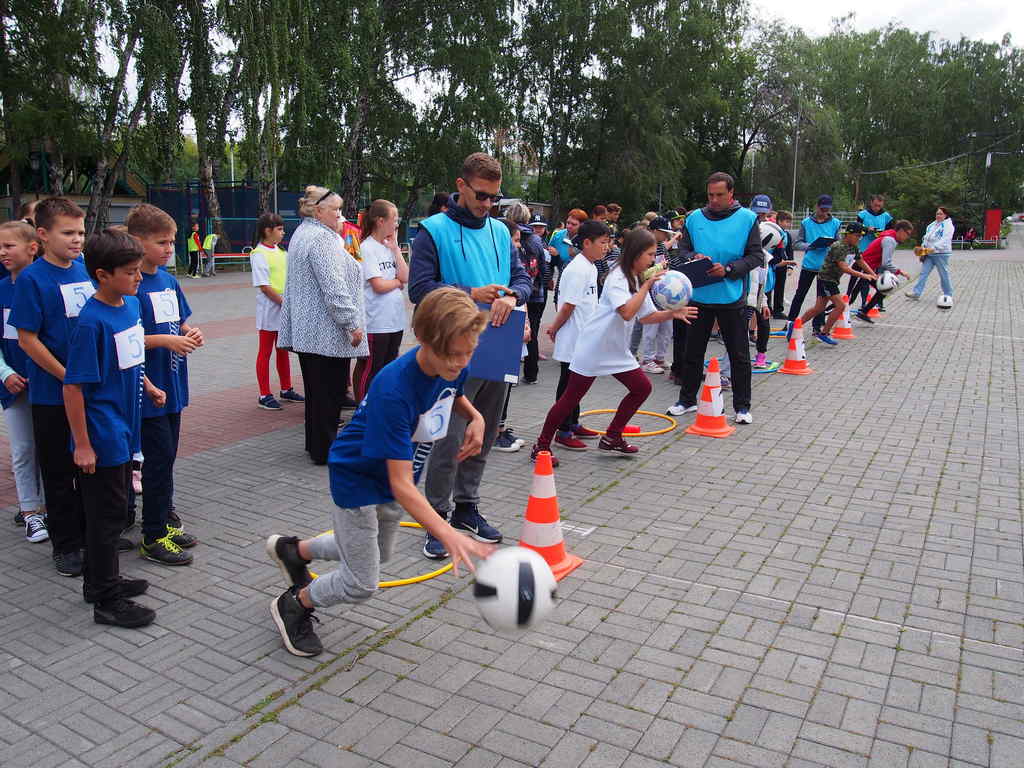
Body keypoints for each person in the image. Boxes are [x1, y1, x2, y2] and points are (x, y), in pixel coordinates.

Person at [265, 287, 494, 656]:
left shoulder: (452, 362)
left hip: (393, 477)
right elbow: (400, 484)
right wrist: (446, 532)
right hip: (358, 479)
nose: (461, 362)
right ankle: (295, 604)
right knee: (361, 583)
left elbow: (452, 389)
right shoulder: (393, 389)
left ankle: (296, 551)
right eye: (454, 354)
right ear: (423, 340)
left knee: (379, 553)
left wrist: (477, 416)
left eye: (469, 352)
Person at [408, 152, 532, 560]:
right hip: (451, 348)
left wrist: (513, 296)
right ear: (460, 186)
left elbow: (522, 278)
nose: (487, 204)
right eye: (481, 195)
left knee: (487, 430)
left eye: (494, 197)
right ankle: (438, 518)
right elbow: (420, 289)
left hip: (498, 342)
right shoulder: (433, 231)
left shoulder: (500, 230)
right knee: (448, 437)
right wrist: (470, 294)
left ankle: (466, 506)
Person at [64, 229, 165, 627]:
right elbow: (73, 388)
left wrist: (151, 386)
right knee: (106, 519)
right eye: (130, 272)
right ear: (103, 275)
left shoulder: (129, 306)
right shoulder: (91, 323)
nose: (139, 278)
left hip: (127, 427)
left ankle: (100, 580)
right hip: (102, 433)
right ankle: (106, 601)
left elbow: (131, 360)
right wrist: (83, 445)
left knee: (114, 512)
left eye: (139, 270)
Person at [531, 229, 696, 464]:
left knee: (642, 388)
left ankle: (612, 437)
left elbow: (647, 316)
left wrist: (673, 312)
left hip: (616, 349)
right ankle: (541, 445)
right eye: (649, 254)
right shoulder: (618, 277)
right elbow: (627, 313)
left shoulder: (636, 278)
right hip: (595, 346)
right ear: (636, 254)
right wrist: (646, 287)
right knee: (570, 398)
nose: (653, 260)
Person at [9, 198, 92, 576]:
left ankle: (91, 533)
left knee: (89, 466)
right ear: (42, 236)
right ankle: (66, 545)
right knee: (58, 470)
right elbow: (27, 339)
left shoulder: (84, 269)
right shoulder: (32, 278)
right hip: (52, 392)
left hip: (89, 389)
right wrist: (65, 375)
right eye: (68, 233)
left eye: (80, 232)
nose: (78, 240)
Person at [125, 204, 204, 565]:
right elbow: (128, 339)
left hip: (174, 384)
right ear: (137, 242)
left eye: (172, 241)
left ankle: (163, 518)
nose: (169, 248)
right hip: (148, 389)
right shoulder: (130, 284)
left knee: (167, 457)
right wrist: (165, 341)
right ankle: (152, 535)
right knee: (156, 460)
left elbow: (180, 322)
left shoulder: (169, 281)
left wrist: (189, 334)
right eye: (161, 242)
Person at [277, 186, 367, 465]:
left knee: (317, 394)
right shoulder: (322, 239)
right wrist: (352, 323)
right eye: (336, 210)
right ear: (318, 211)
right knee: (328, 394)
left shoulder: (303, 234)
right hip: (325, 331)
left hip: (309, 330)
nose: (340, 216)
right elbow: (334, 286)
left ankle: (316, 446)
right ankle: (325, 450)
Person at [666, 172, 765, 424]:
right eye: (710, 195)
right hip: (699, 295)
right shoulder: (694, 218)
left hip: (731, 297)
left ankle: (742, 407)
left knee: (739, 355)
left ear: (731, 193)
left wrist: (730, 270)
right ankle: (686, 400)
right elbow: (682, 249)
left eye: (720, 195)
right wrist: (694, 256)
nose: (714, 200)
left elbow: (756, 256)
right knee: (692, 352)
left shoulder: (747, 219)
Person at [0, 222, 47, 541]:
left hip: (48, 383)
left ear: (32, 248)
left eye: (9, 246)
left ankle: (51, 505)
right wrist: (5, 373)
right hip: (13, 385)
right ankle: (30, 511)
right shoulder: (2, 288)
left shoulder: (44, 284)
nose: (3, 252)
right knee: (23, 448)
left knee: (51, 447)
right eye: (0, 247)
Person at [545, 219, 608, 451]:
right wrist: (554, 328)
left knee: (578, 382)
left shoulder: (590, 266)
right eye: (602, 242)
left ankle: (573, 421)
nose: (606, 247)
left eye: (608, 242)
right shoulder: (577, 268)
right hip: (573, 335)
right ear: (587, 243)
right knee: (568, 383)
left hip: (585, 335)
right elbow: (568, 306)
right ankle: (562, 430)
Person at [352, 199, 409, 401]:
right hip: (376, 322)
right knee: (371, 367)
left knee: (388, 367)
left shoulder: (388, 246)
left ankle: (380, 406)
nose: (396, 224)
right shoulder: (368, 248)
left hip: (394, 321)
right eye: (394, 219)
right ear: (380, 220)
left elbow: (406, 276)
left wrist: (395, 250)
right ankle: (363, 410)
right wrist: (396, 282)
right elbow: (378, 285)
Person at [248, 213, 303, 410]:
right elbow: (264, 286)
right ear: (267, 231)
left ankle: (286, 388)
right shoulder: (258, 254)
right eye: (279, 229)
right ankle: (264, 394)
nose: (283, 232)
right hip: (269, 310)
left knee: (283, 350)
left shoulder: (282, 253)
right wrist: (284, 302)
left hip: (283, 307)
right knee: (265, 351)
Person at [799, 222, 875, 345]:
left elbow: (861, 261)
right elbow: (844, 267)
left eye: (860, 236)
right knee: (840, 306)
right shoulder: (839, 246)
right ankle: (824, 333)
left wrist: (873, 274)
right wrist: (864, 275)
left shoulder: (853, 246)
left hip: (833, 280)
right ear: (848, 234)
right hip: (826, 279)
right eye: (857, 235)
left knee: (819, 308)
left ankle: (796, 325)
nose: (859, 238)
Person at [506, 205, 548, 385]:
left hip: (512, 294)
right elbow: (544, 268)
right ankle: (531, 374)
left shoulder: (505, 234)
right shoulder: (536, 240)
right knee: (532, 334)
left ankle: (509, 375)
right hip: (535, 294)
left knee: (511, 334)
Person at [787, 195, 841, 335]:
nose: (824, 212)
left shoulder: (835, 223)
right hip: (809, 265)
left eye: (827, 210)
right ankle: (790, 322)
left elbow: (839, 243)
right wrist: (810, 246)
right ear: (817, 207)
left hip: (826, 267)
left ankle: (817, 326)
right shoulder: (806, 223)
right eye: (822, 209)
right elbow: (797, 243)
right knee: (800, 294)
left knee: (821, 299)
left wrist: (832, 244)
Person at [852, 220, 913, 322]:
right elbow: (886, 262)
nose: (907, 237)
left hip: (868, 268)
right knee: (852, 294)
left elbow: (882, 260)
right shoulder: (890, 240)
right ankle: (829, 313)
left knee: (883, 290)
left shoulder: (890, 237)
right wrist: (900, 272)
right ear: (901, 231)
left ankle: (863, 312)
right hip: (863, 267)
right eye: (908, 234)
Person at [639, 216, 678, 374]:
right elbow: (641, 274)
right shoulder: (642, 247)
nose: (666, 236)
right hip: (649, 293)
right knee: (651, 329)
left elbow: (667, 263)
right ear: (654, 231)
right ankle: (647, 359)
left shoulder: (661, 246)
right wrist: (659, 269)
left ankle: (660, 357)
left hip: (663, 293)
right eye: (663, 232)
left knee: (667, 328)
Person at [906, 207, 954, 302]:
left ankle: (948, 294)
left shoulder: (948, 226)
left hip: (941, 253)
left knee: (943, 274)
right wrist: (923, 249)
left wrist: (933, 248)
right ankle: (916, 293)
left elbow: (945, 240)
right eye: (937, 214)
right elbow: (926, 238)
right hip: (929, 253)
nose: (938, 216)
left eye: (940, 214)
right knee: (923, 273)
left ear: (945, 215)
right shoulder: (932, 225)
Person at [855, 195, 893, 310]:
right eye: (876, 205)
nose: (877, 207)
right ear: (871, 203)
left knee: (881, 277)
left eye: (880, 206)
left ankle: (879, 302)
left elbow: (891, 232)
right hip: (865, 250)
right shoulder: (863, 215)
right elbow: (856, 231)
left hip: (881, 251)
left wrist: (882, 233)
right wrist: (866, 230)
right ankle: (864, 302)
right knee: (866, 278)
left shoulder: (886, 216)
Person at [769, 210, 796, 319]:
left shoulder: (787, 235)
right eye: (786, 222)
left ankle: (778, 310)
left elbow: (790, 251)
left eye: (790, 222)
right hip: (773, 264)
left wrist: (790, 266)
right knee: (769, 286)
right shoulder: (772, 232)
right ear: (779, 221)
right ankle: (767, 308)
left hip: (783, 264)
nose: (789, 224)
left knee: (780, 287)